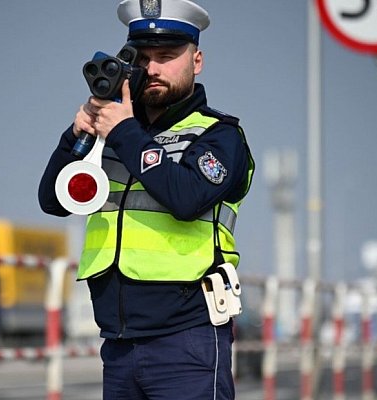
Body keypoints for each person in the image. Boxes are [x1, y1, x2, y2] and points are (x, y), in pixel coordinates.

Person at [38, 1, 254, 398]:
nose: (152, 68)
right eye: (143, 57)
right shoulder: (117, 133)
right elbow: (54, 200)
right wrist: (76, 135)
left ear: (197, 60)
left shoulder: (219, 137)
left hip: (187, 339)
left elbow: (186, 198)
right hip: (119, 344)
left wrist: (123, 131)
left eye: (167, 56)